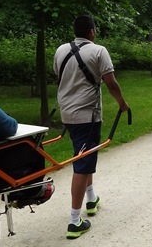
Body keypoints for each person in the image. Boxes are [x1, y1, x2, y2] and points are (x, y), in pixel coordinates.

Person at [53, 15, 129, 239]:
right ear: (92, 31)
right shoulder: (98, 51)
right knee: (83, 162)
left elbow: (60, 77)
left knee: (84, 156)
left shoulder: (60, 50)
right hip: (87, 114)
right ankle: (75, 221)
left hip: (67, 112)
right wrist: (122, 104)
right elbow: (111, 82)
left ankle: (91, 198)